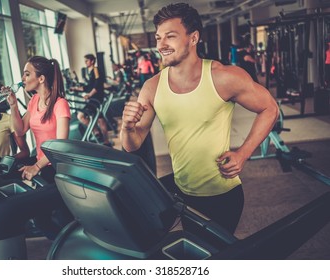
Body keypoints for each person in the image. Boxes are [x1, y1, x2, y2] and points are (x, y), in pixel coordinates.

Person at [120, 3, 279, 233]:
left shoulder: (223, 77)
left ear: (193, 38)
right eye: (158, 38)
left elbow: (269, 108)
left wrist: (243, 154)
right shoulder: (152, 87)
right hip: (182, 191)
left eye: (170, 37)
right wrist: (127, 127)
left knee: (214, 257)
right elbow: (132, 144)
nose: (161, 45)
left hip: (222, 195)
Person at [7, 56, 71, 182]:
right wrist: (13, 105)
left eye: (27, 74)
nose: (23, 79)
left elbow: (60, 146)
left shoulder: (60, 104)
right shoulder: (34, 100)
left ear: (41, 78)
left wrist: (36, 167)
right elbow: (20, 131)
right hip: (41, 161)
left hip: (57, 166)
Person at [71, 54, 111, 146]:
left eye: (87, 61)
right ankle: (104, 139)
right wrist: (76, 89)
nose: (85, 63)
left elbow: (97, 85)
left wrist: (89, 94)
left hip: (95, 99)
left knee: (81, 116)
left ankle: (98, 133)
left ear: (92, 61)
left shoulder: (96, 70)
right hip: (94, 99)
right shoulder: (91, 72)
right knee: (100, 119)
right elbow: (89, 86)